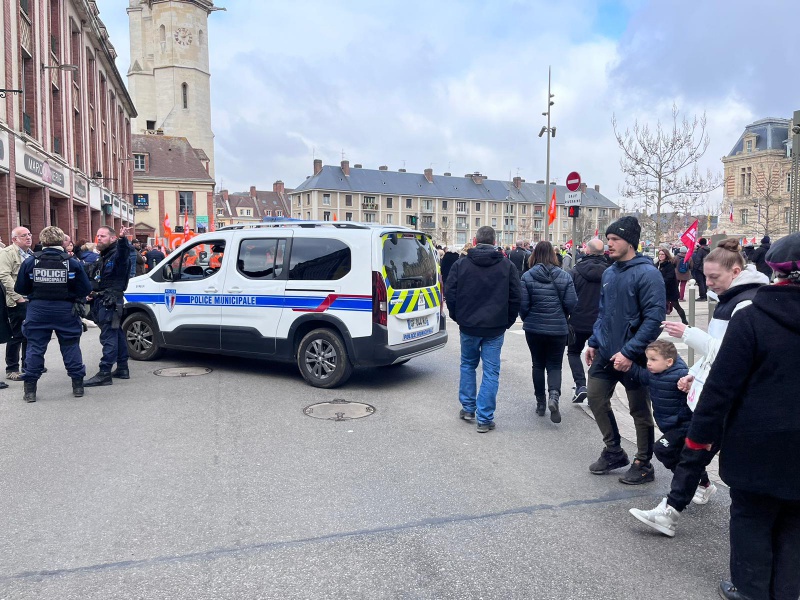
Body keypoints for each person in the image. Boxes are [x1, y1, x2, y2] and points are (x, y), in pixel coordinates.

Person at [674, 234, 799, 600]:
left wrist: (696, 447)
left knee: (751, 522)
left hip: (754, 447)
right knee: (794, 528)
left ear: (774, 272)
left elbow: (720, 390)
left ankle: (750, 590)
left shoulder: (753, 318)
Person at [627, 238, 769, 536]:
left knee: (693, 454)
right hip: (715, 394)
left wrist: (688, 333)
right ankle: (683, 502)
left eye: (714, 277)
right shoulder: (730, 300)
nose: (708, 283)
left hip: (728, 399)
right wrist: (695, 374)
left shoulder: (746, 303)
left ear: (736, 271)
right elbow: (716, 354)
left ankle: (676, 508)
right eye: (705, 276)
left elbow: (731, 352)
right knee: (691, 455)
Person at [585, 216, 666, 484]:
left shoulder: (648, 274)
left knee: (639, 410)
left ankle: (643, 463)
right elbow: (604, 313)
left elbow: (654, 320)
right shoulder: (609, 272)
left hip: (635, 357)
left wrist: (630, 352)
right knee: (595, 398)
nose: (609, 244)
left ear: (630, 242)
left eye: (615, 239)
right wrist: (594, 342)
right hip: (606, 352)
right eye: (608, 240)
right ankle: (614, 451)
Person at [445, 226, 521, 433]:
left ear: (475, 241)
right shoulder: (506, 265)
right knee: (491, 372)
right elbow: (516, 296)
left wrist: (458, 316)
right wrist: (507, 320)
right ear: (495, 241)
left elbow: (450, 293)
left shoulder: (461, 264)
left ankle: (469, 408)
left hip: (469, 324)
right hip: (495, 326)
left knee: (468, 365)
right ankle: (485, 418)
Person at [14, 226, 92, 402]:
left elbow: (20, 288)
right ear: (61, 241)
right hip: (65, 311)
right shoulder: (71, 262)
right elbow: (85, 288)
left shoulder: (30, 261)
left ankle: (30, 390)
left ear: (43, 242)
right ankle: (78, 385)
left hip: (37, 310)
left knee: (34, 347)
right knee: (71, 346)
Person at [519, 241, 577, 423]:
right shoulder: (564, 276)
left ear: (534, 255)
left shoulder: (527, 277)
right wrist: (563, 314)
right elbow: (572, 303)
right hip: (558, 328)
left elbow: (523, 305)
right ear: (553, 255)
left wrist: (528, 317)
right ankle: (554, 396)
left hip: (534, 327)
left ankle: (541, 402)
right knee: (555, 365)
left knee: (537, 364)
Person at [85, 226, 133, 387]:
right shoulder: (103, 256)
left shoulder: (117, 254)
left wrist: (122, 239)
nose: (99, 238)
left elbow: (124, 253)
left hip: (110, 301)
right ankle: (122, 368)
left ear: (112, 239)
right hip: (103, 299)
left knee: (109, 336)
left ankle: (104, 372)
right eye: (97, 235)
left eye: (103, 236)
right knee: (117, 333)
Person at [567, 238, 609, 403]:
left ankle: (581, 385)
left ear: (587, 251)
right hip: (601, 321)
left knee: (573, 352)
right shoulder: (610, 272)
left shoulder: (575, 272)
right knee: (599, 356)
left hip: (578, 319)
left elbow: (568, 297)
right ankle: (596, 392)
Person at [0, 227, 34, 381]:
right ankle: (12, 368)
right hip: (16, 301)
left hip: (31, 300)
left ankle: (27, 366)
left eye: (29, 235)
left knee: (29, 334)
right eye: (23, 235)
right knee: (16, 334)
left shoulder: (31, 254)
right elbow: (4, 276)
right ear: (14, 239)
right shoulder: (7, 253)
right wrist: (17, 297)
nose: (28, 237)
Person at [657, 247, 688, 325]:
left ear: (666, 255)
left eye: (662, 254)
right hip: (661, 290)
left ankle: (684, 321)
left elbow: (669, 277)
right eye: (659, 254)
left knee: (676, 306)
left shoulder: (669, 265)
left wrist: (660, 282)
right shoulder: (657, 264)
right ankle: (660, 322)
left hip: (670, 290)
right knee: (661, 307)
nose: (661, 256)